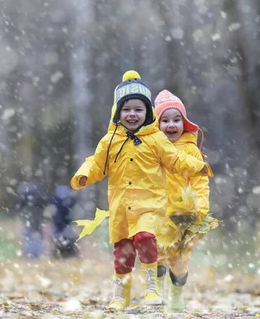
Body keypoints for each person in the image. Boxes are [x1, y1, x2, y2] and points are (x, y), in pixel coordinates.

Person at [70, 71, 213, 310]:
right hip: (121, 208)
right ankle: (121, 294)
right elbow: (97, 163)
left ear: (147, 113)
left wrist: (198, 167)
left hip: (154, 207)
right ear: (117, 112)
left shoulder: (155, 139)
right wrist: (84, 175)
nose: (132, 114)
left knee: (154, 244)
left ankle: (155, 290)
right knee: (123, 252)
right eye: (126, 109)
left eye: (138, 109)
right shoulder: (110, 140)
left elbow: (176, 159)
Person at [153, 89, 219, 311]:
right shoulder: (152, 150)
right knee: (157, 255)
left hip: (184, 215)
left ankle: (176, 292)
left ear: (184, 123)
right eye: (165, 120)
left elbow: (200, 182)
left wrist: (200, 207)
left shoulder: (191, 150)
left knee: (179, 259)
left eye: (176, 120)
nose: (171, 125)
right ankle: (157, 293)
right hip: (158, 212)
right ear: (156, 124)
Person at [16, 177, 49, 259]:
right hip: (37, 215)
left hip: (28, 214)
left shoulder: (24, 188)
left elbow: (19, 203)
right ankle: (36, 253)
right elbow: (44, 203)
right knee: (37, 233)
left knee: (28, 234)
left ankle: (29, 253)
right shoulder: (40, 189)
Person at [51, 184, 79, 258]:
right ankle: (66, 253)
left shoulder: (58, 202)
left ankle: (64, 253)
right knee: (64, 239)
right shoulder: (69, 201)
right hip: (63, 223)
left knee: (62, 239)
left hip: (63, 223)